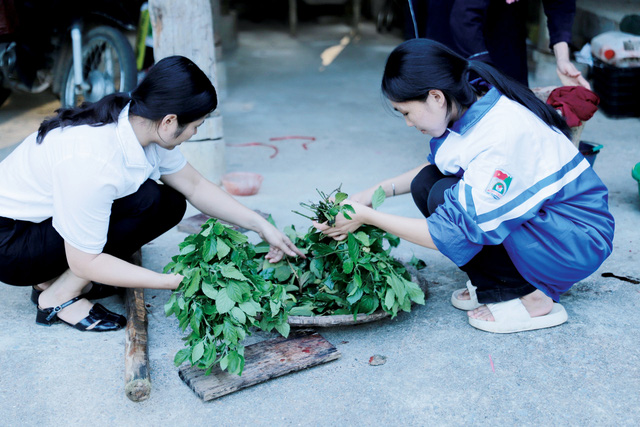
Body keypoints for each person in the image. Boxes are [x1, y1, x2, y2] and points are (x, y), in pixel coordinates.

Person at [314, 38, 614, 333]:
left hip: (574, 241)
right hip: (552, 226)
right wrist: (368, 195)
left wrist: (366, 217)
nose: (407, 122)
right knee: (427, 183)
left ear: (435, 96)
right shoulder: (469, 108)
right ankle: (496, 282)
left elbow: (449, 232)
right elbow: (435, 168)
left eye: (406, 112)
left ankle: (530, 296)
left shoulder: (501, 135)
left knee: (448, 202)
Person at [0, 55, 304, 332]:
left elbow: (195, 186)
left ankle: (49, 278)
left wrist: (261, 226)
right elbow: (84, 262)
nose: (195, 133)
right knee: (139, 207)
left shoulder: (142, 121)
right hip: (12, 244)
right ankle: (57, 297)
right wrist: (172, 282)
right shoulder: (95, 160)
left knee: (164, 201)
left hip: (38, 222)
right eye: (195, 126)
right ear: (170, 121)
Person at [422, 0, 590, 89]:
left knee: (513, 88)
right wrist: (488, 75)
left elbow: (560, 4)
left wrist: (563, 59)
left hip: (503, 17)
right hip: (453, 13)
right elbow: (464, 17)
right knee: (459, 93)